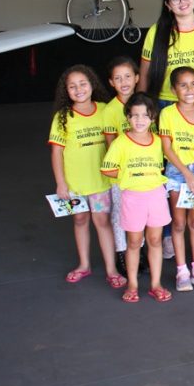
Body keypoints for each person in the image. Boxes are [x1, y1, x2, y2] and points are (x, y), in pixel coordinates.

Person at [48, 65, 126, 290]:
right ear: (66, 91)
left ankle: (111, 270)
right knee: (80, 220)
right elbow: (57, 152)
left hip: (100, 181)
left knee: (102, 221)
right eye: (72, 86)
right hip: (75, 183)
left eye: (83, 84)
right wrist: (61, 183)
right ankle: (84, 265)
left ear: (92, 85)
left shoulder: (105, 109)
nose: (78, 89)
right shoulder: (63, 117)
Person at [101, 93, 171, 303]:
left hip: (156, 195)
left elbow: (163, 164)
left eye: (145, 115)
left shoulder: (159, 142)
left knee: (155, 240)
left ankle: (156, 284)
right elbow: (107, 169)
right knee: (134, 242)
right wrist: (127, 176)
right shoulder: (121, 143)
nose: (140, 120)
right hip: (132, 198)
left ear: (153, 118)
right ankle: (132, 283)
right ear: (128, 118)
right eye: (134, 115)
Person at [158, 67, 194, 291]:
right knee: (179, 222)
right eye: (183, 85)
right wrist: (187, 174)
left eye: (193, 84)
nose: (190, 90)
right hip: (177, 172)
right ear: (174, 89)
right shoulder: (168, 114)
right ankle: (182, 271)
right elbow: (167, 148)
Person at [101, 56, 141, 277]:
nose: (123, 81)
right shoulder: (110, 110)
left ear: (136, 78)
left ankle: (140, 251)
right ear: (111, 82)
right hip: (121, 174)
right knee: (119, 215)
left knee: (140, 214)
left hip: (143, 172)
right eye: (118, 78)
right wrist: (118, 170)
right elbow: (110, 145)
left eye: (127, 76)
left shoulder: (144, 104)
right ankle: (122, 254)